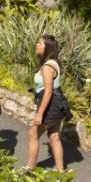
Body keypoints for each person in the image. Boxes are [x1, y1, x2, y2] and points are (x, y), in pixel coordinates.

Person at [25, 33, 69, 172]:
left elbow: (48, 91)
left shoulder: (47, 67)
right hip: (57, 103)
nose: (36, 45)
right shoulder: (53, 63)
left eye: (40, 43)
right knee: (54, 136)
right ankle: (60, 170)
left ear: (47, 48)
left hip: (51, 105)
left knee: (33, 134)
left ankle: (30, 168)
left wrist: (39, 114)